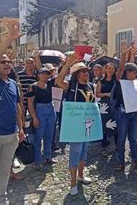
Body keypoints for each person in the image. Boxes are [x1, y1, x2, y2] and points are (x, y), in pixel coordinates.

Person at [55, 54, 95, 196]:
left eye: (87, 71)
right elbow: (58, 81)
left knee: (84, 152)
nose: (87, 73)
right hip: (75, 125)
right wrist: (67, 65)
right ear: (78, 74)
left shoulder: (91, 86)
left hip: (87, 124)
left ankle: (80, 175)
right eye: (84, 72)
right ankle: (72, 183)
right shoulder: (71, 85)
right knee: (75, 152)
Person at [0, 26, 25, 203]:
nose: (7, 64)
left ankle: (0, 198)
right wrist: (9, 39)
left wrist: (20, 129)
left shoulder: (13, 83)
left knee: (4, 170)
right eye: (2, 61)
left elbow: (17, 107)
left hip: (11, 135)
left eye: (8, 62)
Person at [112, 46, 137, 172]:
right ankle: (121, 162)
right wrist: (124, 55)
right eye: (134, 71)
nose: (136, 73)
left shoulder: (136, 82)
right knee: (121, 138)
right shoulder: (121, 81)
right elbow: (120, 68)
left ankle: (136, 161)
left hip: (134, 112)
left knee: (133, 138)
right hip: (122, 112)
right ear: (128, 72)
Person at [26, 68, 58, 171]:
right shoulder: (33, 87)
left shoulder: (49, 84)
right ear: (38, 75)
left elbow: (61, 75)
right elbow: (30, 104)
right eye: (42, 74)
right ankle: (38, 161)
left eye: (47, 74)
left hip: (50, 109)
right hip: (39, 110)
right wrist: (34, 118)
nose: (45, 76)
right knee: (38, 137)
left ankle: (47, 156)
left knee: (49, 135)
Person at [95, 63, 118, 156]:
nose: (110, 70)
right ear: (105, 69)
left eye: (112, 68)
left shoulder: (116, 80)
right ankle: (103, 147)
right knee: (104, 126)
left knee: (115, 124)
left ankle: (117, 145)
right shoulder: (101, 81)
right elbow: (97, 94)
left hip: (114, 105)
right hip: (104, 106)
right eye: (109, 68)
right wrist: (106, 94)